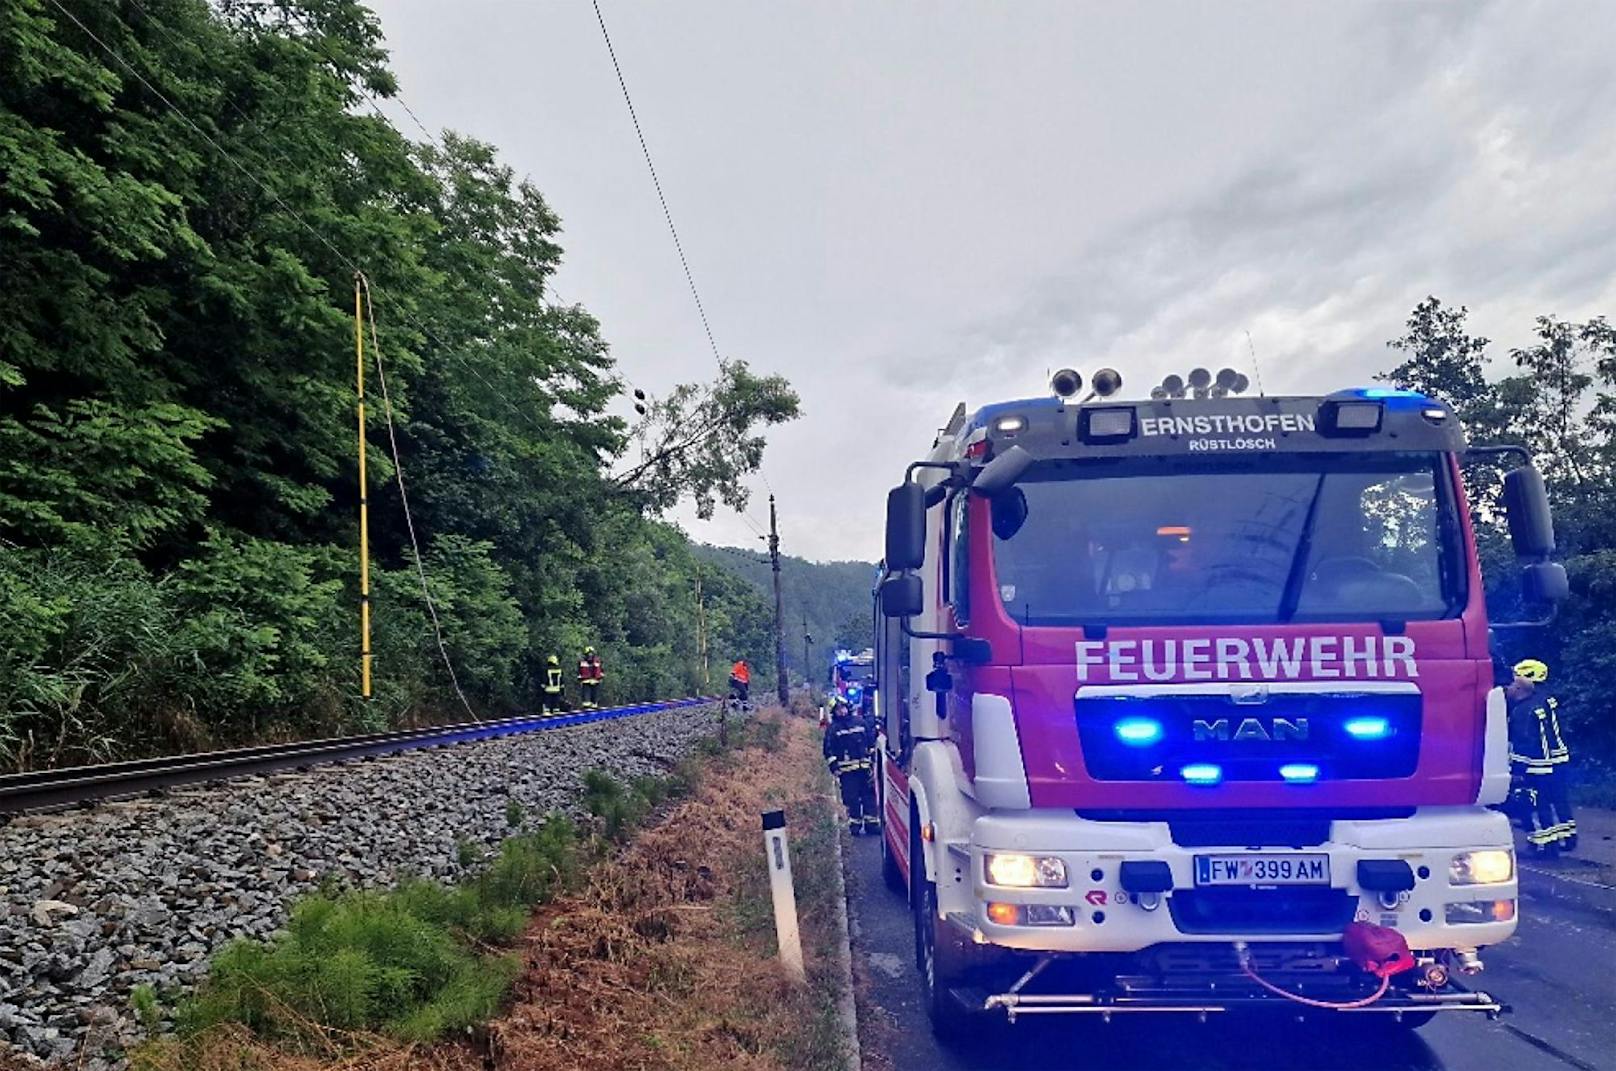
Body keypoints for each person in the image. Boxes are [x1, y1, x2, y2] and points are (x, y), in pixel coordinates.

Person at [1507, 658, 1577, 854]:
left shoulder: (1523, 711)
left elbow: (1525, 742)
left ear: (1523, 684)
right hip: (1558, 762)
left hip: (1536, 766)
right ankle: (1566, 838)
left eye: (1514, 682)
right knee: (1558, 800)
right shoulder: (1548, 700)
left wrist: (1517, 770)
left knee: (1533, 804)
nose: (1510, 687)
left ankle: (1543, 844)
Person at [824, 698, 880, 836]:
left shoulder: (861, 722)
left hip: (865, 769)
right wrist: (835, 767)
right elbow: (828, 750)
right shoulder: (833, 729)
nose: (841, 711)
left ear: (848, 707)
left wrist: (874, 763)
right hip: (847, 772)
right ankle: (854, 825)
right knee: (851, 798)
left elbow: (871, 742)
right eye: (838, 709)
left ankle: (871, 824)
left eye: (843, 708)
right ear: (834, 712)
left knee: (869, 796)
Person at [577, 646, 604, 710]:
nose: (590, 655)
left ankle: (591, 706)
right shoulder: (597, 660)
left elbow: (601, 670)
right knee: (590, 696)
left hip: (592, 680)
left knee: (592, 696)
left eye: (591, 654)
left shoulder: (583, 661)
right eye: (589, 654)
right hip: (589, 681)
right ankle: (589, 706)